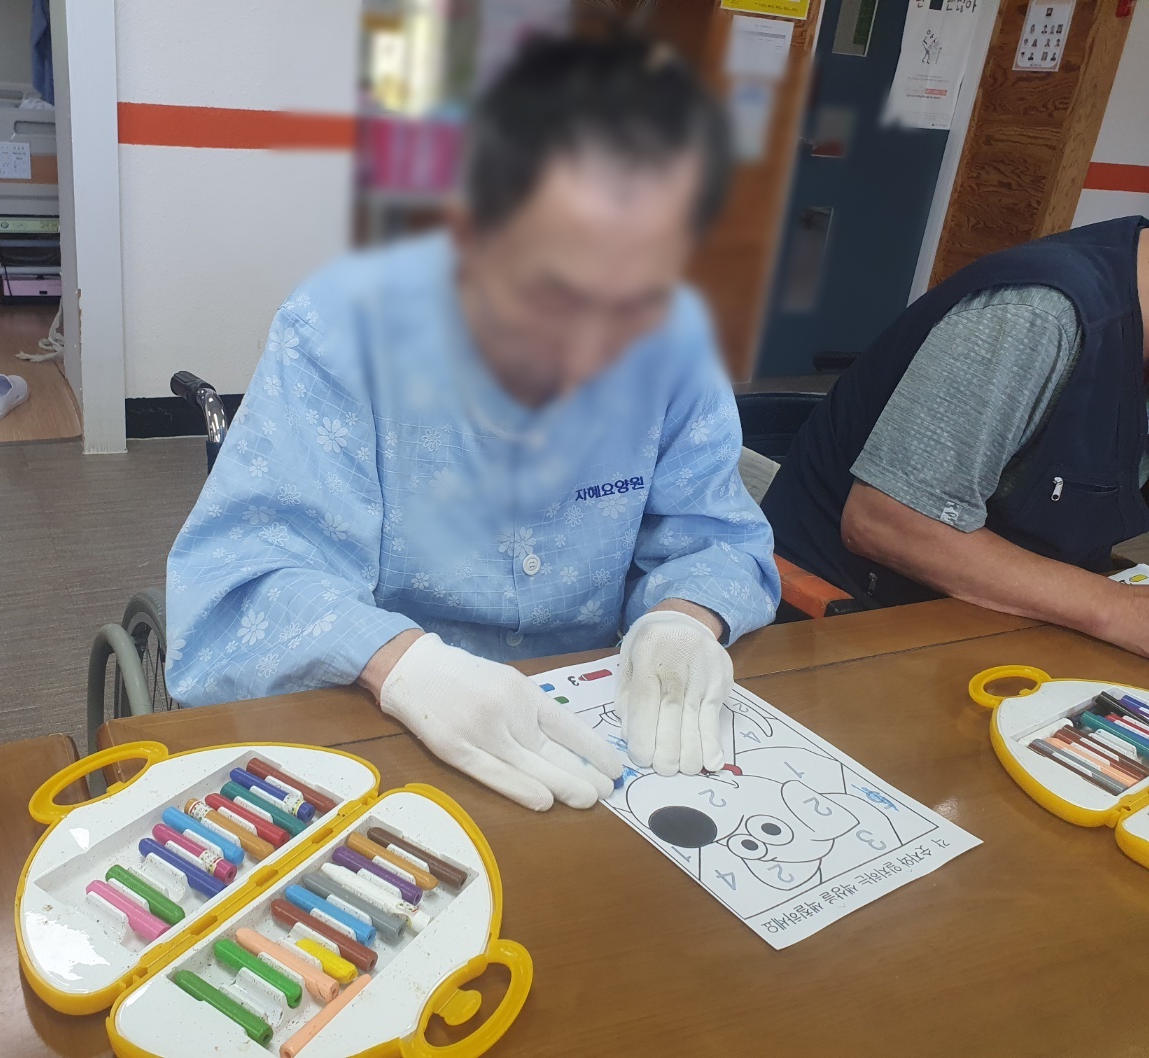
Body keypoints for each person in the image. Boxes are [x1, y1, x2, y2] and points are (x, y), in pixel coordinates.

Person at [167, 36, 780, 811]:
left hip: (590, 718)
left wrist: (683, 621)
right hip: (379, 715)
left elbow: (710, 536)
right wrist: (401, 663)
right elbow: (245, 581)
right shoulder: (340, 331)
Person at [763, 216, 1149, 657]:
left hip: (1003, 614)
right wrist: (1118, 609)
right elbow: (886, 525)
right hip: (843, 617)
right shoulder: (1037, 316)